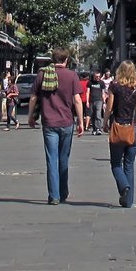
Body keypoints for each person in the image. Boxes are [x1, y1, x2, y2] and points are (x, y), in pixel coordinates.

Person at [27, 47, 84, 204]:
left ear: (53, 59)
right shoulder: (72, 76)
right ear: (66, 60)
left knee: (51, 159)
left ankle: (54, 195)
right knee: (63, 159)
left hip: (49, 123)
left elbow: (33, 97)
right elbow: (77, 100)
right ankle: (63, 191)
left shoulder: (42, 74)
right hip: (66, 122)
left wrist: (31, 116)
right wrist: (81, 121)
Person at [105, 60, 136, 208]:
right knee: (129, 165)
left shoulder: (114, 86)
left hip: (118, 128)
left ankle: (124, 187)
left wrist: (105, 123)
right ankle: (128, 201)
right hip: (134, 129)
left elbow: (109, 108)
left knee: (116, 163)